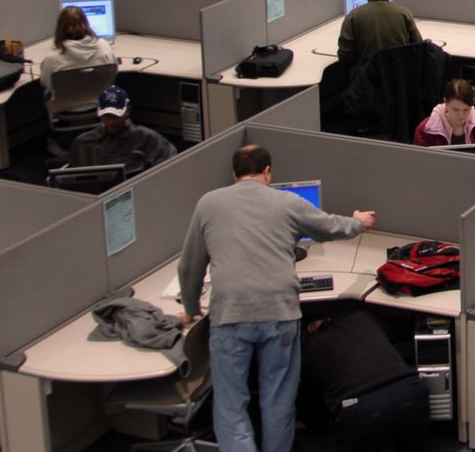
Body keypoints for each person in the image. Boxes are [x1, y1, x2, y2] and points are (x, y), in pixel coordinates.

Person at [178, 144, 375, 452]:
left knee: (231, 406)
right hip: (280, 313)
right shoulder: (287, 202)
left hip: (231, 314)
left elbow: (189, 264)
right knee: (278, 399)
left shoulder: (208, 203)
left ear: (234, 174)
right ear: (268, 172)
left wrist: (191, 309)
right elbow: (328, 227)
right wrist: (358, 221)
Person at [296, 306, 430, 452]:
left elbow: (310, 409)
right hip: (412, 391)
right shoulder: (362, 317)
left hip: (362, 407)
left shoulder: (310, 349)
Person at [68, 86, 176, 173]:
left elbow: (170, 167)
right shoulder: (83, 143)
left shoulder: (147, 138)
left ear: (127, 111)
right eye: (106, 116)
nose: (111, 122)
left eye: (115, 116)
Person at [337, 0, 422, 73]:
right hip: (399, 80)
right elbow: (418, 47)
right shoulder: (404, 13)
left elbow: (344, 56)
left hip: (365, 82)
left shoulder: (353, 17)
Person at [38, 3, 117, 95]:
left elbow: (46, 83)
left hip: (65, 106)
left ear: (59, 28)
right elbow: (113, 72)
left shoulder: (52, 58)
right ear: (86, 23)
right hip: (98, 102)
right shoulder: (103, 46)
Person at [413, 79, 475, 153]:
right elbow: (419, 163)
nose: (461, 115)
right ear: (446, 103)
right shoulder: (426, 128)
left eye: (466, 109)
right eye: (455, 110)